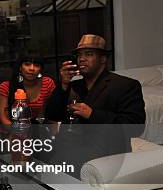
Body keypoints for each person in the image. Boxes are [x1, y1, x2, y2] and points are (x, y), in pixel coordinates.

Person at [43, 34, 146, 168]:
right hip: (65, 154)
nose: (82, 59)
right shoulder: (74, 85)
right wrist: (63, 85)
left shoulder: (124, 85)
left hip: (104, 157)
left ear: (103, 59)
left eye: (89, 54)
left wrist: (93, 114)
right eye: (79, 55)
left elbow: (135, 127)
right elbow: (52, 115)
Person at [0, 56, 56, 130]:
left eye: (36, 65)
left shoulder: (47, 83)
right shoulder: (6, 87)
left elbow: (54, 109)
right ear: (20, 67)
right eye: (27, 64)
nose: (32, 68)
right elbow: (4, 119)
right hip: (3, 126)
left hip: (31, 126)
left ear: (41, 69)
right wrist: (19, 133)